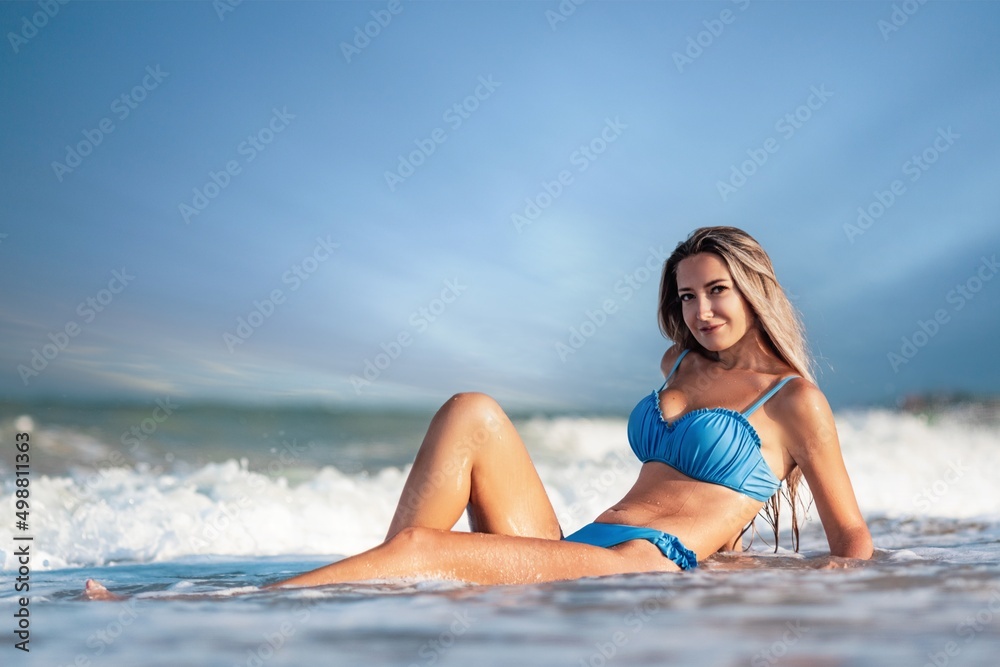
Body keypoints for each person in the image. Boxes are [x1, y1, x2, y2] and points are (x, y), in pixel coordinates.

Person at [85, 226, 871, 599]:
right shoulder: (679, 364)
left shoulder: (794, 400)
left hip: (645, 561)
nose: (700, 311)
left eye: (717, 291)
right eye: (687, 296)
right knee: (471, 409)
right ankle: (376, 586)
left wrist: (776, 590)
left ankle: (216, 608)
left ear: (753, 286)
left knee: (430, 547)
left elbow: (853, 543)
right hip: (582, 546)